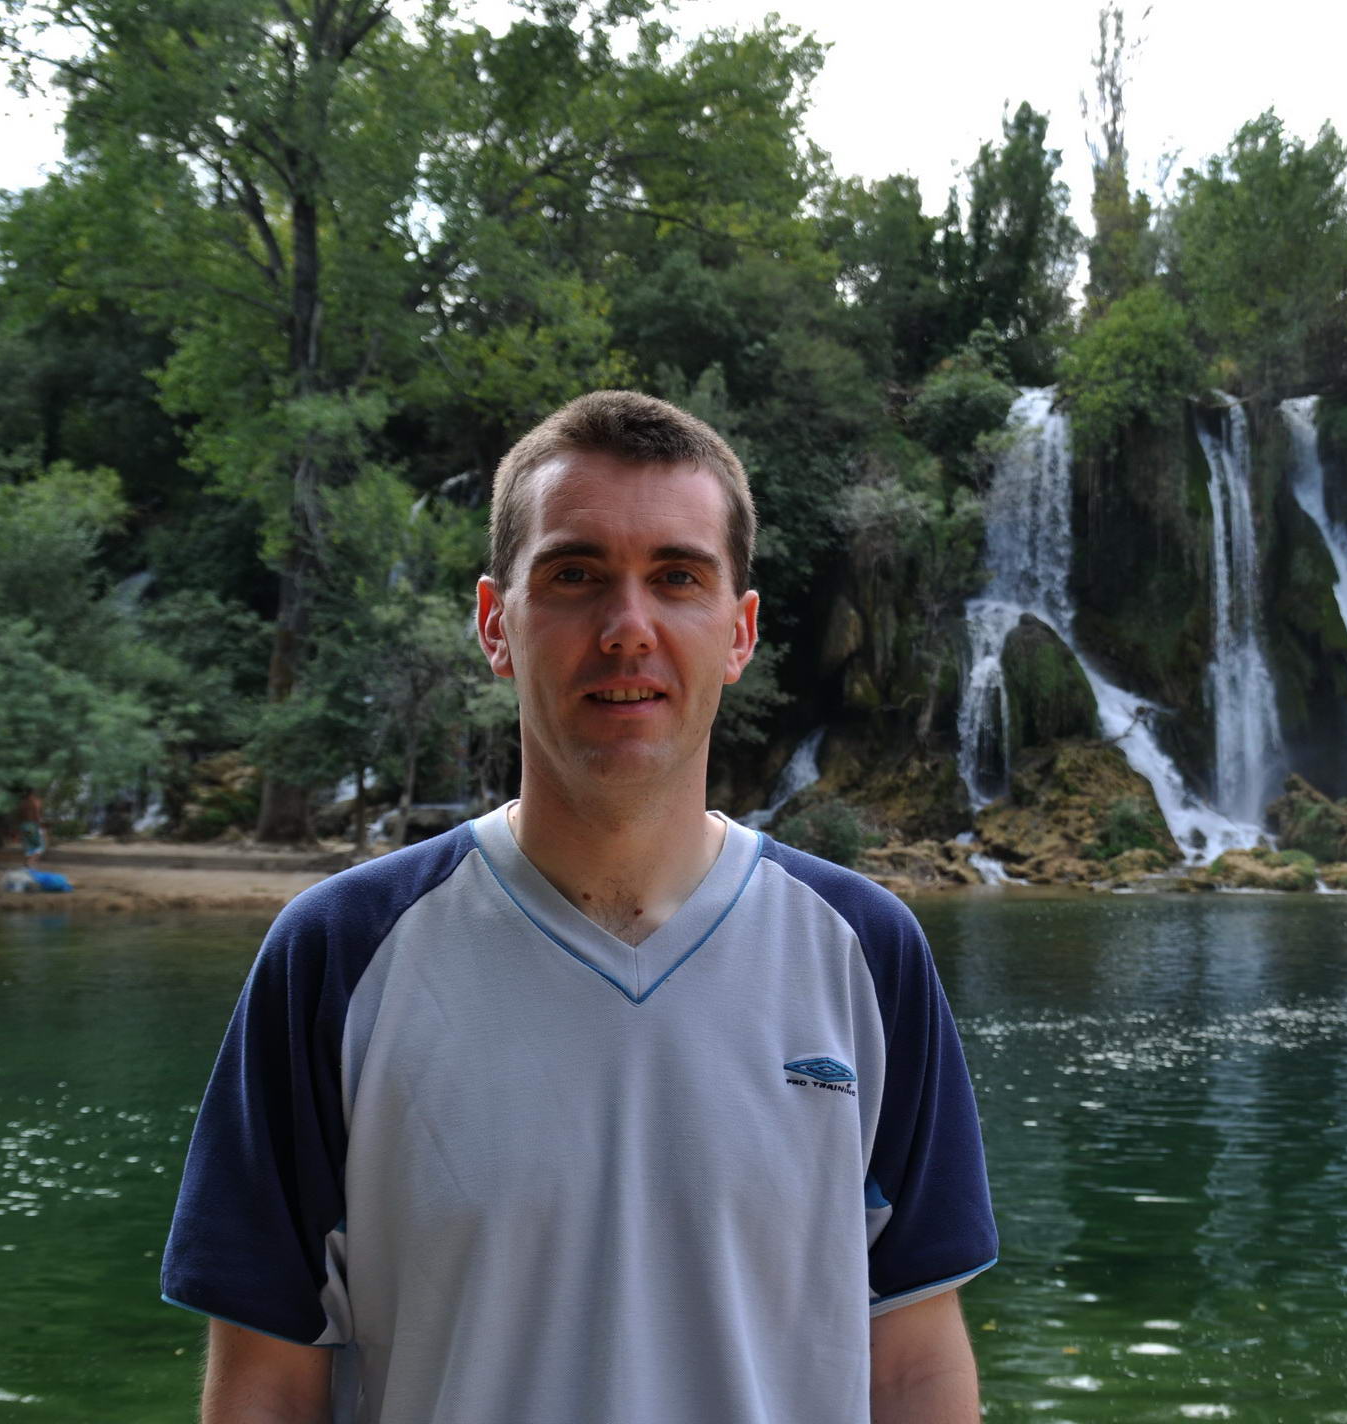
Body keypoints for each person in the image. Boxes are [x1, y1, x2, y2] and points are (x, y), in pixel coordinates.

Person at [160, 390, 998, 1424]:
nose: (627, 629)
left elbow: (912, 1365)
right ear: (495, 623)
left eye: (677, 577)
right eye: (575, 575)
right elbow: (264, 1386)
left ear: (739, 632)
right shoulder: (335, 954)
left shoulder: (866, 951)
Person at [17, 788, 45, 866]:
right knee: (40, 847)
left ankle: (27, 864)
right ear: (34, 793)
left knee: (28, 846)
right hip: (32, 826)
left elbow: (18, 816)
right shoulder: (36, 802)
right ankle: (30, 863)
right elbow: (37, 814)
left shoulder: (22, 803)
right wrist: (40, 825)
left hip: (24, 826)